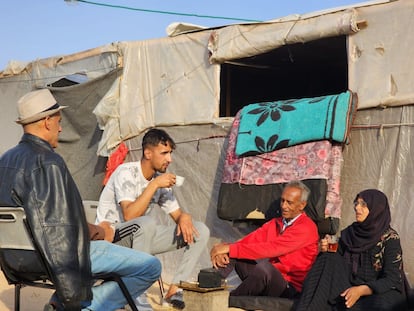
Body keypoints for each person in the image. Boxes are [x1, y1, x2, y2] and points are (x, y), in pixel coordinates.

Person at [0, 89, 161, 311]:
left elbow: (43, 220)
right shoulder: (49, 162)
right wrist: (72, 296)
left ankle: (62, 302)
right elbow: (56, 231)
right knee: (150, 266)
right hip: (56, 258)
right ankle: (76, 307)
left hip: (16, 260)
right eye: (58, 120)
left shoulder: (5, 160)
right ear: (47, 121)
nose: (61, 127)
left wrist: (96, 232)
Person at [96, 128, 210, 309]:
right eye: (164, 153)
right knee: (147, 224)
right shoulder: (126, 172)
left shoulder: (159, 180)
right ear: (147, 153)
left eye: (170, 153)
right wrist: (155, 185)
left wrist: (185, 217)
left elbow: (177, 215)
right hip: (113, 238)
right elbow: (129, 216)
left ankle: (175, 289)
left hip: (141, 236)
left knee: (200, 231)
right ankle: (136, 293)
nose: (169, 159)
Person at [295, 189, 408, 311]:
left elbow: (392, 279)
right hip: (350, 286)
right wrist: (325, 249)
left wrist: (361, 290)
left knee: (382, 304)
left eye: (363, 204)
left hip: (375, 292)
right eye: (356, 203)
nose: (357, 208)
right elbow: (335, 262)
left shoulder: (390, 239)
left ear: (377, 209)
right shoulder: (351, 233)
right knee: (327, 258)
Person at [210, 180, 319, 299]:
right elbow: (248, 242)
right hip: (269, 279)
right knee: (234, 254)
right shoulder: (275, 223)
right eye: (282, 200)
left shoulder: (307, 227)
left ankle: (229, 301)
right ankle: (209, 285)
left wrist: (229, 248)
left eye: (289, 203)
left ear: (302, 205)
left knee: (264, 268)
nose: (283, 206)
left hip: (290, 287)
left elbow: (272, 249)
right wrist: (224, 250)